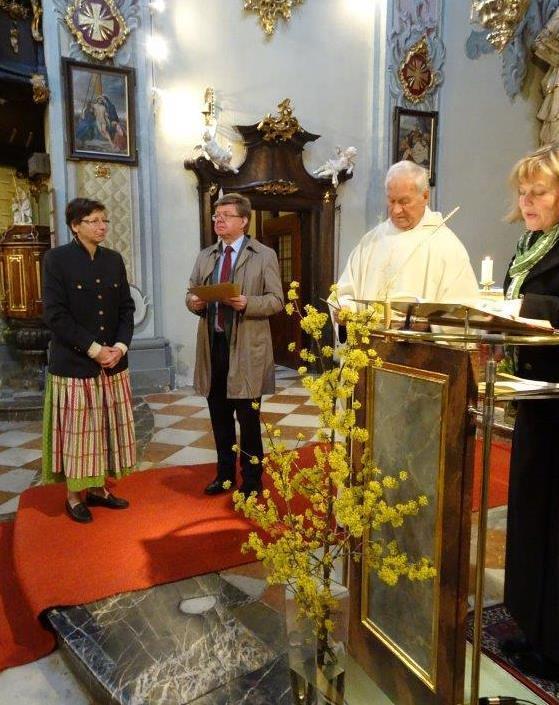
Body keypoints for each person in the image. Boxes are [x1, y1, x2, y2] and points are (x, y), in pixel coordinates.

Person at [501, 143, 559, 680]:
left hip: (558, 402)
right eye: (523, 192)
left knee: (554, 524)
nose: (527, 201)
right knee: (528, 513)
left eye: (538, 191)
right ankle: (532, 625)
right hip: (532, 397)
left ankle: (555, 643)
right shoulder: (529, 246)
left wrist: (521, 307)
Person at [41, 198, 136, 523]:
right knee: (78, 435)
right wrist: (95, 349)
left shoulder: (113, 259)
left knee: (105, 430)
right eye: (94, 221)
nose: (102, 226)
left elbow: (126, 308)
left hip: (113, 364)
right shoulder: (56, 259)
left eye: (104, 220)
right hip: (75, 365)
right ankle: (73, 496)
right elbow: (55, 315)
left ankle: (98, 490)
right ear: (75, 226)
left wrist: (120, 347)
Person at [185, 193, 284, 497]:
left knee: (248, 419)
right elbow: (190, 293)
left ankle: (252, 481)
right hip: (213, 345)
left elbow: (276, 300)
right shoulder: (206, 255)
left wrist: (247, 303)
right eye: (217, 215)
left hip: (246, 349)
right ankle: (225, 476)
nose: (219, 220)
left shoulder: (263, 255)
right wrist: (194, 302)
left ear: (243, 221)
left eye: (226, 215)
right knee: (219, 417)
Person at [331, 160, 479, 325]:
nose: (396, 210)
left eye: (404, 202)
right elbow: (345, 292)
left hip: (418, 342)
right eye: (391, 201)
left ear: (425, 196)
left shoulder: (446, 246)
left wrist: (427, 326)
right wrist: (346, 308)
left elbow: (464, 311)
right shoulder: (371, 241)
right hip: (369, 341)